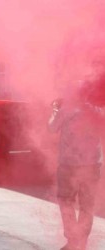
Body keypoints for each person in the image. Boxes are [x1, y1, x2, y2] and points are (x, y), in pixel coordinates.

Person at [48, 83, 105, 250]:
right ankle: (81, 242)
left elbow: (51, 128)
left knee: (66, 201)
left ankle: (73, 240)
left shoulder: (67, 110)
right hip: (92, 164)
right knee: (87, 205)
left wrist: (55, 111)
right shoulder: (98, 111)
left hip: (69, 165)